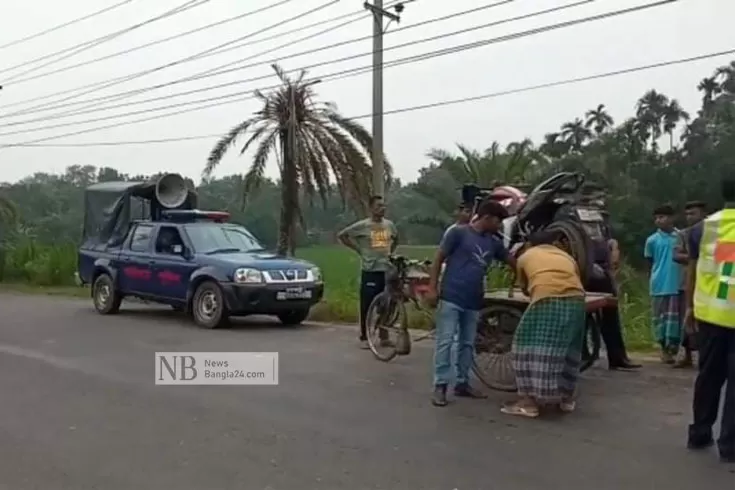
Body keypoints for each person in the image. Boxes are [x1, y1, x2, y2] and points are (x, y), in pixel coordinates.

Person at [426, 199, 513, 407]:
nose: (500, 225)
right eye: (498, 221)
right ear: (486, 218)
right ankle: (440, 385)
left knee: (467, 343)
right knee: (445, 342)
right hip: (451, 296)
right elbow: (438, 258)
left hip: (474, 299)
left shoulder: (493, 242)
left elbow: (511, 260)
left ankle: (462, 383)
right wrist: (432, 287)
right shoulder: (458, 233)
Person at [501, 230, 587, 418]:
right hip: (577, 300)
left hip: (547, 299)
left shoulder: (526, 256)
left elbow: (524, 287)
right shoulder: (566, 256)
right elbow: (576, 278)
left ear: (530, 244)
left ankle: (529, 402)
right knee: (567, 347)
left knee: (526, 345)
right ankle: (566, 399)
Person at [685, 177, 735, 465]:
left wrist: (688, 309)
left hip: (710, 315)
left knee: (708, 377)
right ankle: (729, 445)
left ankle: (699, 433)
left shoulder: (703, 228)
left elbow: (693, 271)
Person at [337, 195, 398, 349]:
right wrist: (359, 250)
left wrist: (390, 252)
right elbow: (342, 235)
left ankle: (384, 337)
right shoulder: (363, 225)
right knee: (368, 304)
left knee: (387, 305)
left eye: (383, 206)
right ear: (371, 208)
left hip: (386, 270)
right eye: (378, 206)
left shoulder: (389, 225)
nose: (382, 209)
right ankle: (365, 337)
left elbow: (396, 238)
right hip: (371, 270)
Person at [586, 216, 641, 370]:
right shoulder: (568, 217)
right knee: (581, 317)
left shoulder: (600, 220)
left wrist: (614, 247)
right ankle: (583, 356)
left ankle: (617, 357)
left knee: (611, 314)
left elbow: (610, 241)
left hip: (603, 271)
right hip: (582, 271)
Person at [644, 205, 683, 364]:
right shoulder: (652, 240)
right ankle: (663, 349)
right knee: (660, 318)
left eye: (663, 217)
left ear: (672, 218)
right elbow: (649, 261)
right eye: (657, 217)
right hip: (659, 283)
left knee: (675, 319)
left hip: (677, 283)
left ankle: (675, 349)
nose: (659, 220)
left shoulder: (680, 236)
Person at [672, 201, 707, 368]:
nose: (689, 217)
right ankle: (686, 355)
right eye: (687, 214)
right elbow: (676, 255)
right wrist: (696, 258)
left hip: (707, 282)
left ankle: (704, 355)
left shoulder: (711, 232)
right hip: (687, 281)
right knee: (684, 320)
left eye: (692, 213)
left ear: (702, 214)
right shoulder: (683, 234)